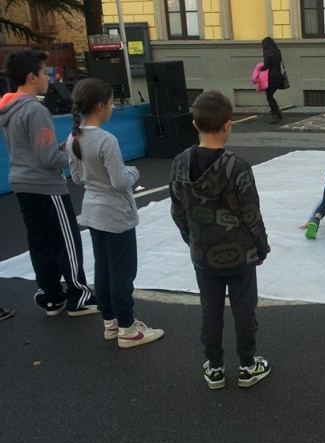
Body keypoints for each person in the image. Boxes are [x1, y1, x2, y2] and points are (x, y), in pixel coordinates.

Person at [170, 90, 271, 390]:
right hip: (240, 255)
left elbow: (178, 210)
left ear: (195, 124)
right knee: (244, 310)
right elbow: (251, 215)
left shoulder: (180, 163)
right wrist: (261, 247)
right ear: (228, 124)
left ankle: (214, 367)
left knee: (210, 310)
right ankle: (247, 365)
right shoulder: (237, 167)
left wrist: (192, 239)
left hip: (204, 254)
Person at [65, 78, 164, 348]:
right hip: (115, 213)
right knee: (122, 272)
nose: (112, 108)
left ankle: (110, 322)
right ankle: (127, 327)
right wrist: (133, 172)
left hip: (93, 211)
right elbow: (120, 182)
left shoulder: (73, 137)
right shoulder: (106, 140)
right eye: (110, 104)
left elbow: (77, 177)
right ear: (100, 106)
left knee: (104, 268)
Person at [0, 50, 98, 317]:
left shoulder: (8, 109)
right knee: (67, 241)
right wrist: (75, 156)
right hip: (46, 186)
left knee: (40, 242)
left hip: (22, 184)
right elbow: (48, 158)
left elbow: (33, 150)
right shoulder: (35, 110)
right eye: (44, 73)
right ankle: (79, 296)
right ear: (32, 77)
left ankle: (52, 296)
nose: (48, 78)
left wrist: (61, 147)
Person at [259, 37, 283, 124]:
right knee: (271, 96)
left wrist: (259, 68)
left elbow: (266, 66)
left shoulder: (267, 52)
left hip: (271, 77)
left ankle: (276, 115)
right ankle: (277, 113)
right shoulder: (278, 51)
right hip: (279, 76)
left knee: (269, 97)